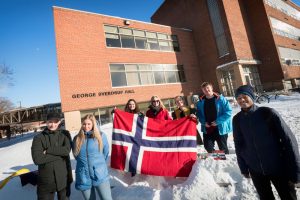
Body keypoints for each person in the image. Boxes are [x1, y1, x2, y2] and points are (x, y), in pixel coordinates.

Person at [233, 85, 300, 200]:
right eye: (239, 98)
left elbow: (289, 140)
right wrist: (243, 167)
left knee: (288, 197)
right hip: (256, 171)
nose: (242, 100)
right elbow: (239, 144)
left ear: (252, 97)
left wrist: (296, 169)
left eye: (244, 96)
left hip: (278, 167)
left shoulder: (267, 113)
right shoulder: (237, 119)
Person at [31, 113, 72, 200]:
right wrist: (60, 155)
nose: (53, 124)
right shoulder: (38, 138)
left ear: (59, 122)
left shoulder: (65, 134)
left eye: (55, 122)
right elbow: (37, 159)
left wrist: (49, 150)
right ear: (46, 122)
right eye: (50, 122)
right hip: (46, 182)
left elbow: (66, 150)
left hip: (63, 179)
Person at [73, 114, 112, 200]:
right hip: (83, 176)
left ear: (93, 124)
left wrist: (98, 166)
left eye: (88, 124)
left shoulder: (101, 136)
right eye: (84, 124)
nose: (86, 126)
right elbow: (76, 155)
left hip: (99, 174)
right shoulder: (77, 138)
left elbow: (105, 153)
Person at [196, 82, 232, 154]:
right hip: (208, 128)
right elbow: (199, 115)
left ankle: (224, 163)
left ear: (211, 88)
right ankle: (219, 159)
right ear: (202, 91)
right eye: (204, 89)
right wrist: (203, 122)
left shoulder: (221, 99)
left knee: (223, 148)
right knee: (208, 146)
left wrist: (217, 121)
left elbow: (228, 112)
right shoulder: (200, 102)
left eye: (208, 88)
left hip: (220, 127)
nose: (206, 90)